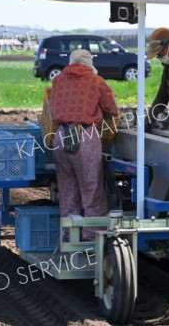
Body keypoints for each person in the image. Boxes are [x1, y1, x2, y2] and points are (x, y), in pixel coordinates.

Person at [51, 49, 119, 241]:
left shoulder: (58, 80)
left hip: (61, 136)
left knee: (67, 190)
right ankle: (92, 238)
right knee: (91, 189)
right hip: (85, 136)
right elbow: (112, 110)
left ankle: (69, 237)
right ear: (89, 63)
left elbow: (54, 106)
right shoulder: (96, 81)